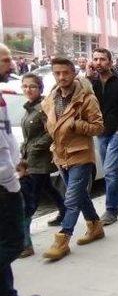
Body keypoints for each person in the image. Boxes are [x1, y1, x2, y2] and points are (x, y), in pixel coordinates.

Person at [41, 57, 105, 261]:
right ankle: (95, 226)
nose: (61, 77)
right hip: (60, 155)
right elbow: (49, 122)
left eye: (65, 73)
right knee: (79, 195)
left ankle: (63, 238)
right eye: (57, 73)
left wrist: (77, 125)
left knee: (71, 198)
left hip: (81, 154)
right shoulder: (51, 98)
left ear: (73, 73)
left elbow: (98, 127)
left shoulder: (86, 98)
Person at [0, 42, 40, 296]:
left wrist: (18, 160)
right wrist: (12, 179)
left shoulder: (2, 97)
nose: (12, 64)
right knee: (14, 241)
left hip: (9, 174)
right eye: (5, 60)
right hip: (4, 184)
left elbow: (7, 139)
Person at [18, 73, 66, 257]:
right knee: (47, 187)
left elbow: (51, 132)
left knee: (28, 204)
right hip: (30, 158)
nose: (28, 90)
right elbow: (29, 136)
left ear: (40, 89)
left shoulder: (42, 108)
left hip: (40, 160)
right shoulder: (29, 108)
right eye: (25, 86)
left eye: (32, 86)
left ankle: (26, 245)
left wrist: (35, 147)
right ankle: (64, 210)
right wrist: (24, 149)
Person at [91, 48, 118, 225]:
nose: (99, 62)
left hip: (117, 132)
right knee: (113, 171)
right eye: (95, 59)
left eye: (102, 59)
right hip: (101, 132)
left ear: (110, 62)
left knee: (108, 170)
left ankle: (111, 210)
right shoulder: (92, 84)